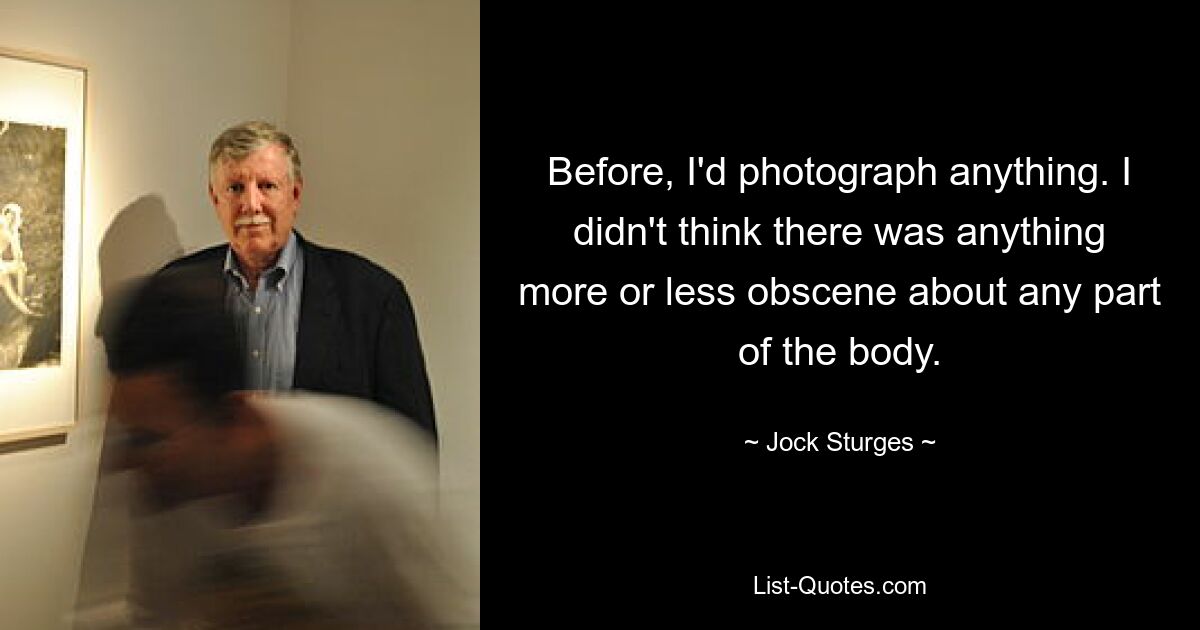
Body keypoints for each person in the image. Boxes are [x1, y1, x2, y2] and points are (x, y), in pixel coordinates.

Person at [101, 268, 470, 628]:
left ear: (231, 415)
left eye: (148, 440)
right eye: (127, 436)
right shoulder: (164, 495)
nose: (128, 463)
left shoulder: (375, 480)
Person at [158, 121, 436, 437]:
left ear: (295, 194)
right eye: (235, 188)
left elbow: (414, 444)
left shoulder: (373, 297)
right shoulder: (173, 289)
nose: (251, 204)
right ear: (214, 198)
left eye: (267, 186)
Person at [1, 202, 37, 316]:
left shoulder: (12, 231)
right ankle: (23, 301)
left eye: (13, 216)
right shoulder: (1, 224)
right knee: (19, 269)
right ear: (4, 214)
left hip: (1, 264)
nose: (9, 218)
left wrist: (15, 236)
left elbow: (18, 255)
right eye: (8, 214)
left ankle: (25, 309)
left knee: (9, 286)